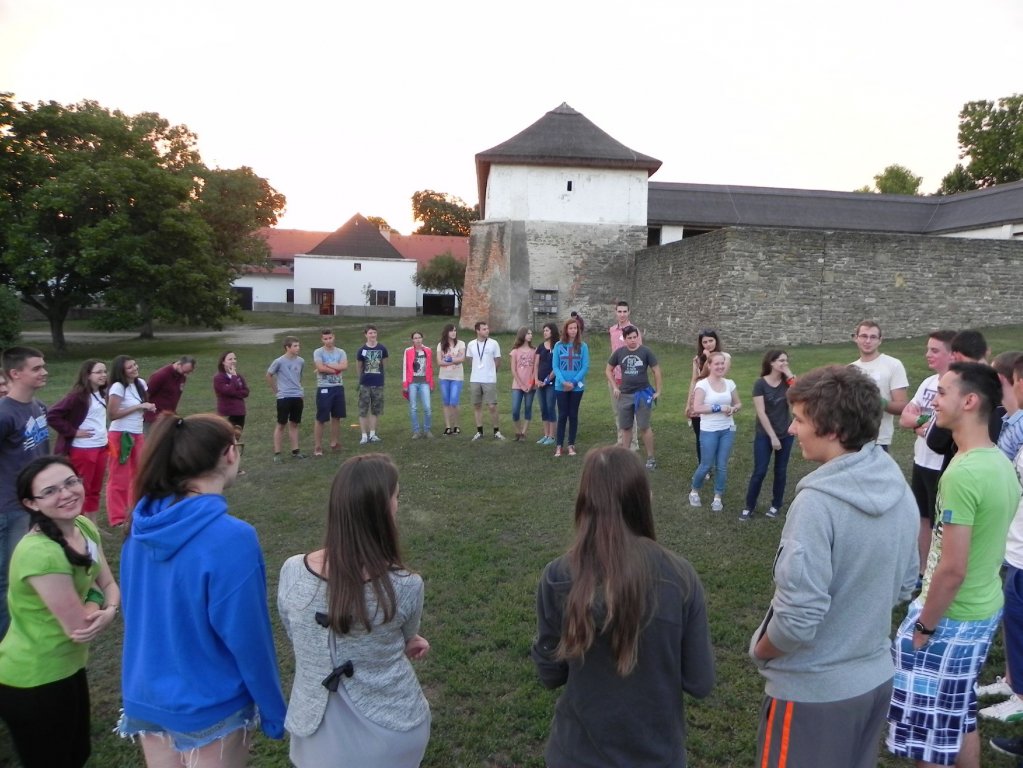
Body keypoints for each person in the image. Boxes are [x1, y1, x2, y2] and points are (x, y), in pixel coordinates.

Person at [749, 366, 918, 768]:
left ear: (834, 430)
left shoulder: (817, 505)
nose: (791, 429)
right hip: (875, 681)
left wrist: (761, 650)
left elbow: (796, 620)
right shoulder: (896, 483)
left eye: (799, 420)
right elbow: (906, 583)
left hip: (812, 694)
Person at [118, 414, 286, 766]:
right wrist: (274, 710)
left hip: (147, 695)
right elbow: (248, 637)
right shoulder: (232, 538)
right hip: (210, 704)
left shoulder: (140, 527)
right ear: (229, 453)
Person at [532, 446, 714, 767]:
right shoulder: (680, 577)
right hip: (656, 756)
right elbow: (700, 681)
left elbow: (550, 673)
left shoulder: (557, 576)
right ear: (644, 499)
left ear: (584, 502)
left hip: (575, 755)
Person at [887, 363, 1021, 767]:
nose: (934, 401)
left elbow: (952, 568)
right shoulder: (999, 461)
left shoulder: (962, 474)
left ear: (969, 401)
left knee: (927, 735)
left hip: (951, 619)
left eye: (943, 393)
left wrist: (924, 627)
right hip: (982, 608)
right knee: (959, 713)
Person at [278, 454, 431, 767]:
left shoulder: (293, 571)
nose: (398, 504)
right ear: (384, 509)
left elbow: (296, 632)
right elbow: (406, 637)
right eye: (396, 497)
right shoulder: (406, 585)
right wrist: (406, 642)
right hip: (392, 729)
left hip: (316, 736)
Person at [0, 456, 119, 768]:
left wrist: (108, 606)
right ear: (32, 503)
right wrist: (103, 605)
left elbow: (109, 584)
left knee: (77, 754)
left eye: (70, 482)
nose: (66, 494)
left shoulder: (83, 526)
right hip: (34, 678)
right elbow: (80, 627)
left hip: (67, 667)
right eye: (50, 491)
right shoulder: (40, 554)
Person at [0, 346, 50, 638]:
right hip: (11, 508)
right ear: (15, 373)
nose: (44, 372)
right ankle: (9, 639)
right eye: (36, 368)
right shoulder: (4, 414)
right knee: (10, 576)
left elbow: (42, 453)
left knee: (37, 566)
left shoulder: (38, 407)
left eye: (43, 366)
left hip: (39, 503)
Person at [899, 331, 956, 581]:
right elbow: (905, 418)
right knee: (921, 518)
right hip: (920, 461)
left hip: (939, 465)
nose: (928, 354)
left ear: (951, 354)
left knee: (937, 524)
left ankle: (935, 575)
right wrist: (924, 422)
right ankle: (922, 572)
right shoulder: (928, 382)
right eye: (928, 349)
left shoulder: (956, 386)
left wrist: (921, 421)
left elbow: (945, 428)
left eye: (935, 350)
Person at [47, 359, 109, 521]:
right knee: (81, 489)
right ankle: (77, 523)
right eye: (99, 372)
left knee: (95, 489)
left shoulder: (102, 393)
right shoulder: (78, 397)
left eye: (104, 371)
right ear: (87, 375)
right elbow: (53, 415)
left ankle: (92, 524)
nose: (103, 375)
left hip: (101, 447)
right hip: (83, 449)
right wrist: (73, 432)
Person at [740, 350, 796, 521]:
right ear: (771, 363)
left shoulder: (788, 382)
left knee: (780, 471)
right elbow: (761, 412)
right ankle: (749, 506)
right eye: (781, 361)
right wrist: (772, 437)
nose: (785, 363)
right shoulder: (760, 384)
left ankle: (776, 505)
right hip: (765, 434)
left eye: (786, 360)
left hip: (786, 433)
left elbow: (800, 398)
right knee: (760, 471)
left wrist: (790, 376)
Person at [106, 355, 155, 529]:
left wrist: (148, 407)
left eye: (134, 365)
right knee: (119, 476)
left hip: (137, 433)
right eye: (129, 367)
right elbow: (112, 414)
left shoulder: (140, 383)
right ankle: (117, 517)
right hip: (120, 435)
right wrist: (139, 406)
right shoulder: (118, 387)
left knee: (139, 473)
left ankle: (135, 510)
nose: (134, 368)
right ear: (121, 371)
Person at [688, 351, 741, 512]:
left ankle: (718, 497)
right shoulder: (702, 385)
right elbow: (697, 408)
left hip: (727, 429)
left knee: (722, 466)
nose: (720, 366)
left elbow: (738, 403)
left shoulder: (730, 383)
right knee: (706, 465)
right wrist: (719, 408)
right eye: (717, 363)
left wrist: (733, 409)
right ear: (709, 366)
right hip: (709, 430)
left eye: (722, 363)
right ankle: (694, 491)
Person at [605, 325, 662, 470]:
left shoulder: (645, 351)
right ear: (624, 339)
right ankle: (626, 457)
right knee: (626, 427)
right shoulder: (619, 352)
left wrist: (658, 391)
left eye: (634, 337)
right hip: (624, 395)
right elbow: (608, 369)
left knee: (644, 426)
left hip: (642, 393)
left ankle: (651, 458)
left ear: (638, 337)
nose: (632, 340)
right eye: (629, 338)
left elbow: (656, 371)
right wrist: (615, 387)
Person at [848, 320, 908, 451]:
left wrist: (878, 402)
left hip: (879, 440)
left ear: (880, 340)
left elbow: (902, 406)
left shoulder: (893, 365)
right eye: (864, 336)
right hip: (852, 438)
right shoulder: (850, 369)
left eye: (873, 337)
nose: (868, 341)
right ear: (856, 338)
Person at [685, 330, 731, 469]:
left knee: (716, 435)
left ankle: (717, 464)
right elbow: (694, 380)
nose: (708, 344)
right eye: (704, 342)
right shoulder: (697, 359)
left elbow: (716, 375)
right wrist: (688, 403)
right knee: (700, 437)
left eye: (711, 340)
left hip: (716, 399)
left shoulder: (725, 357)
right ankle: (703, 466)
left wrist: (708, 357)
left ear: (716, 341)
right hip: (699, 399)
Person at [552, 317, 589, 457]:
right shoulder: (558, 346)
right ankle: (559, 445)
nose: (573, 330)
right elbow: (555, 366)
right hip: (560, 386)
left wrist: (573, 382)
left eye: (575, 328)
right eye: (571, 328)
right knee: (562, 415)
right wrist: (563, 382)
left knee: (573, 415)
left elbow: (585, 366)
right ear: (566, 330)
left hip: (576, 387)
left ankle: (571, 444)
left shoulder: (583, 346)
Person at [267, 336, 307, 462]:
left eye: (298, 345)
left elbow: (299, 377)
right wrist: (276, 390)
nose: (298, 348)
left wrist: (300, 392)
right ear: (287, 347)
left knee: (294, 423)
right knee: (281, 424)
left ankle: (295, 451)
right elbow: (269, 375)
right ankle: (277, 453)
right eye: (295, 346)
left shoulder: (301, 361)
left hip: (297, 396)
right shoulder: (279, 361)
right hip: (284, 397)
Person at [608, 301, 641, 450]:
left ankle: (633, 443)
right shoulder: (612, 330)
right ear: (616, 312)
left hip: (629, 376)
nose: (622, 314)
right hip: (614, 376)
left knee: (630, 411)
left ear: (629, 312)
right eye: (619, 311)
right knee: (617, 411)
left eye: (624, 311)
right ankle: (621, 440)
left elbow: (639, 352)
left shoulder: (634, 331)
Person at [465, 321, 504, 441]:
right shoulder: (471, 344)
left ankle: (496, 431)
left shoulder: (493, 343)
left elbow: (498, 360)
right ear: (477, 331)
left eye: (487, 328)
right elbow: (469, 359)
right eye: (484, 329)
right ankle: (479, 431)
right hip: (475, 379)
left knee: (492, 406)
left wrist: (492, 372)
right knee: (477, 405)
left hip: (489, 379)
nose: (487, 330)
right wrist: (477, 368)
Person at [312, 329, 348, 455]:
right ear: (322, 340)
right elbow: (320, 368)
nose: (328, 341)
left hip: (338, 386)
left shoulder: (341, 352)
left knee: (337, 416)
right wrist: (335, 368)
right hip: (324, 387)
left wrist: (327, 365)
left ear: (334, 337)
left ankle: (334, 443)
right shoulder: (318, 352)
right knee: (321, 418)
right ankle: (318, 446)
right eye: (325, 339)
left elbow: (344, 366)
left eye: (330, 338)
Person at [143, 356, 196, 433]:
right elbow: (147, 394)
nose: (185, 374)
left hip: (168, 417)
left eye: (188, 372)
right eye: (184, 372)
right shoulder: (161, 375)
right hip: (154, 418)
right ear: (179, 364)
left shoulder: (182, 377)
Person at [356, 325, 389, 445]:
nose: (373, 335)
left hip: (378, 383)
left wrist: (380, 377)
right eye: (370, 333)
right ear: (366, 335)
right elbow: (359, 366)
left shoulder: (382, 348)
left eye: (374, 332)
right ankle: (364, 435)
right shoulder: (362, 350)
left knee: (376, 409)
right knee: (363, 409)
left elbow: (384, 365)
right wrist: (360, 380)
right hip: (365, 383)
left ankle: (373, 434)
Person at [402, 331, 433, 439]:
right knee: (413, 408)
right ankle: (416, 431)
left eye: (419, 337)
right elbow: (405, 367)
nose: (418, 340)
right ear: (412, 340)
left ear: (422, 338)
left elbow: (430, 367)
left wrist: (431, 383)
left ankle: (427, 430)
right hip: (412, 383)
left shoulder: (428, 350)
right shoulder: (408, 351)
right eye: (415, 338)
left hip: (425, 382)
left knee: (427, 407)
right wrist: (405, 384)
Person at [436, 324, 466, 436]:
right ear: (446, 332)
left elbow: (462, 359)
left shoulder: (461, 343)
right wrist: (455, 360)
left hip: (457, 377)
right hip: (444, 377)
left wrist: (448, 360)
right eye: (451, 331)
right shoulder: (441, 345)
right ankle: (448, 427)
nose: (454, 333)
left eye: (455, 330)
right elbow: (439, 362)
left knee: (454, 401)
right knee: (446, 402)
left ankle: (456, 425)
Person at [533, 322, 559, 446]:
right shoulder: (540, 346)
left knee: (550, 407)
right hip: (539, 383)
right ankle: (546, 434)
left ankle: (552, 436)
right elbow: (536, 364)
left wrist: (547, 380)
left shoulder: (558, 346)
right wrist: (536, 380)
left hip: (551, 383)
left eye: (547, 330)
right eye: (544, 331)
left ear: (552, 332)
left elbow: (556, 366)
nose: (545, 333)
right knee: (543, 408)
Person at [213, 350, 250, 436]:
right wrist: (233, 376)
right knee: (226, 438)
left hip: (240, 413)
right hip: (227, 413)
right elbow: (229, 391)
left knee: (236, 437)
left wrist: (234, 393)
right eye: (230, 359)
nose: (233, 361)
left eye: (235, 359)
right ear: (223, 362)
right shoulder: (219, 378)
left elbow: (246, 392)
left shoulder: (239, 376)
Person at [509, 326, 536, 441]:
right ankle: (518, 431)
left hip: (530, 386)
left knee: (528, 408)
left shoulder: (534, 351)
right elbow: (513, 370)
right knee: (515, 410)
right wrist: (521, 385)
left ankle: (524, 433)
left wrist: (530, 384)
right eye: (528, 333)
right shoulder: (515, 351)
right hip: (517, 386)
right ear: (522, 335)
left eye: (531, 333)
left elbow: (535, 369)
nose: (530, 335)